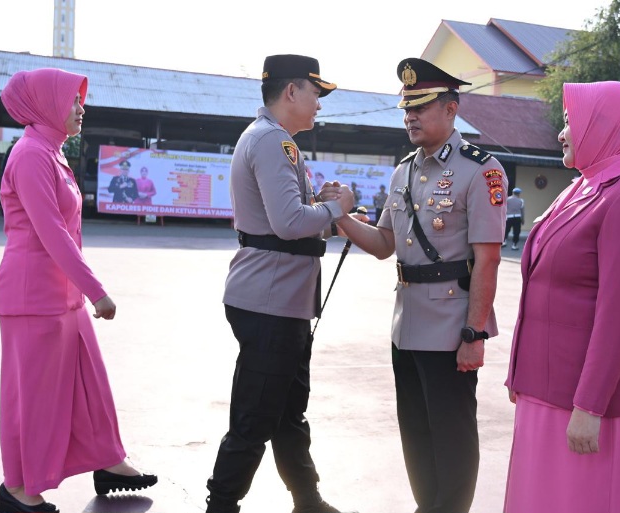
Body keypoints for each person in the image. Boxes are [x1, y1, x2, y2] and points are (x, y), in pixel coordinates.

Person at [336, 57, 506, 513]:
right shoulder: (403, 170)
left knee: (451, 434)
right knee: (414, 431)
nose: (410, 116)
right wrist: (340, 217)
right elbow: (384, 244)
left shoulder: (481, 170)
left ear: (451, 109)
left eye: (421, 106)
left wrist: (473, 334)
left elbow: (488, 261)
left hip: (452, 325)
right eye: (406, 107)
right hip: (406, 323)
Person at [503, 81, 620, 513]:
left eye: (568, 121)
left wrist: (589, 406)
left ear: (603, 126)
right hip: (544, 390)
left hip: (588, 402)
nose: (561, 133)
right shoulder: (579, 188)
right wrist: (518, 373)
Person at [0, 68, 157, 513]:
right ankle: (18, 490)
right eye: (73, 101)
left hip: (62, 295)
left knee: (91, 386)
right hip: (33, 298)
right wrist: (97, 290)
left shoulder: (53, 153)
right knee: (35, 400)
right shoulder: (30, 155)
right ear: (47, 105)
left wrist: (81, 290)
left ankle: (108, 461)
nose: (81, 109)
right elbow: (51, 233)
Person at [204, 54, 356, 513]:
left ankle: (306, 498)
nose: (319, 106)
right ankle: (222, 504)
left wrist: (324, 209)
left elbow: (285, 223)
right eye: (315, 94)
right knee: (256, 415)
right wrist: (338, 207)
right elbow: (289, 223)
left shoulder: (274, 139)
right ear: (292, 91)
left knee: (288, 411)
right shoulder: (274, 141)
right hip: (270, 301)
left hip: (280, 300)